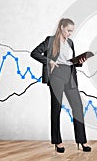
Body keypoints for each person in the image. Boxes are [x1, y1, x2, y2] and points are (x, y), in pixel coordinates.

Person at [30, 18, 91, 153]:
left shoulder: (70, 42)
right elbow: (34, 53)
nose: (70, 33)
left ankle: (82, 140)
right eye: (68, 30)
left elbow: (70, 61)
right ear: (62, 27)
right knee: (56, 108)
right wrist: (49, 61)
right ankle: (57, 142)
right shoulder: (50, 40)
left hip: (69, 75)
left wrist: (79, 61)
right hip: (56, 75)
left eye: (72, 31)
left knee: (78, 107)